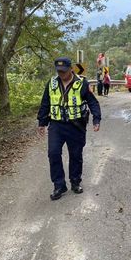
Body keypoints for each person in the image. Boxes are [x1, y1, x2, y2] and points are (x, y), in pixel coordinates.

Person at [37, 57, 101, 201]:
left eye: (64, 71)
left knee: (76, 155)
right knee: (53, 153)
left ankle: (75, 181)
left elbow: (93, 102)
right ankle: (59, 185)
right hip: (56, 125)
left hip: (76, 125)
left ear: (71, 69)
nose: (61, 74)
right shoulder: (52, 83)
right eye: (59, 71)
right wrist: (42, 122)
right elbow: (45, 103)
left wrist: (96, 119)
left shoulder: (81, 83)